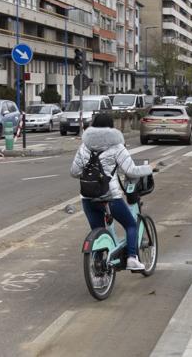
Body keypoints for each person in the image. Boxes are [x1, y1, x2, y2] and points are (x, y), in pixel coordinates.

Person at [70, 113, 153, 271]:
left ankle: (100, 267)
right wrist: (149, 168)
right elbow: (131, 170)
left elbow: (74, 172)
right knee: (130, 225)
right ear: (111, 127)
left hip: (88, 198)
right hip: (110, 198)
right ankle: (131, 258)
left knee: (98, 232)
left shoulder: (84, 146)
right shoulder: (116, 146)